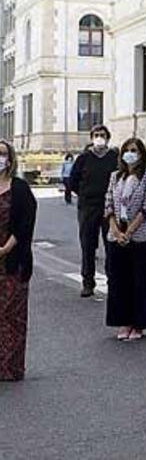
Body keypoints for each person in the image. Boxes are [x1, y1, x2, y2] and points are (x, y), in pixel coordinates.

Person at [104, 137, 146, 341]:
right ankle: (124, 321)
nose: (130, 154)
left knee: (139, 280)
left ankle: (139, 323)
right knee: (118, 280)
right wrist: (116, 230)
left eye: (134, 150)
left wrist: (129, 232)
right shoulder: (115, 176)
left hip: (140, 234)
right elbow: (108, 203)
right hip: (116, 233)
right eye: (127, 150)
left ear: (141, 154)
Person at [0, 140, 37, 382]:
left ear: (10, 159)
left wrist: (6, 248)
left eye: (2, 154)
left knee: (11, 315)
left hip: (12, 259)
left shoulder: (20, 188)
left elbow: (26, 222)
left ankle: (10, 367)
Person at [70, 125, 119, 298]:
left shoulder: (114, 157)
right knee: (88, 246)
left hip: (110, 208)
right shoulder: (83, 158)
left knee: (112, 245)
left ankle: (113, 281)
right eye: (96, 135)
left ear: (108, 137)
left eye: (103, 135)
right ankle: (88, 282)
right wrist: (83, 194)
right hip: (88, 207)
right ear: (91, 137)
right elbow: (73, 181)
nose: (99, 138)